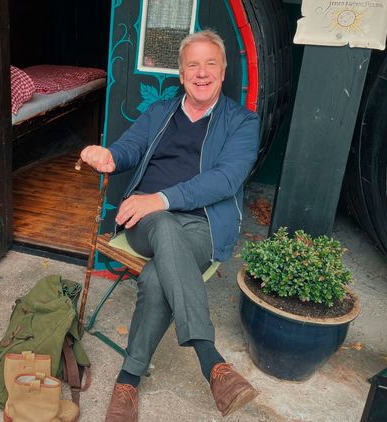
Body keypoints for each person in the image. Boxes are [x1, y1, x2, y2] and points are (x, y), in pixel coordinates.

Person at [79, 29, 260, 421]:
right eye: (192, 65)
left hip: (202, 225)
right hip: (146, 221)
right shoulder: (161, 111)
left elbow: (225, 179)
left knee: (156, 277)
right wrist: (110, 156)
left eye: (210, 64)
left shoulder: (242, 122)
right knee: (162, 225)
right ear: (181, 74)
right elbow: (130, 147)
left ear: (223, 72)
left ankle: (127, 381)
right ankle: (211, 360)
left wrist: (159, 198)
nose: (201, 73)